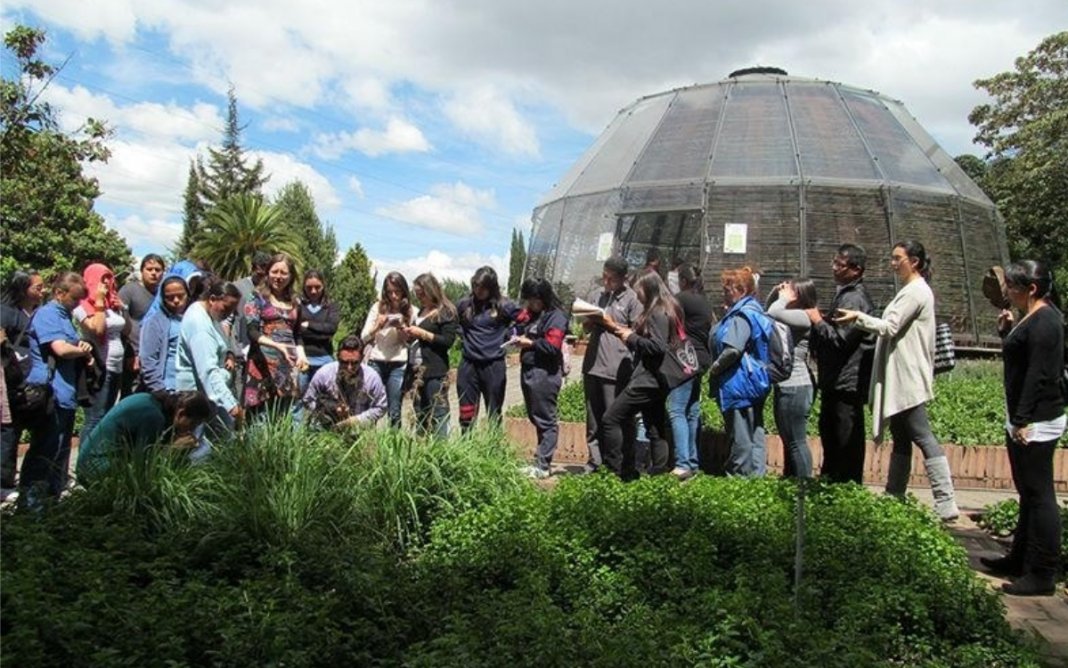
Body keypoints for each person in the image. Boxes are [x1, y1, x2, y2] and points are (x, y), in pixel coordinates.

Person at [836, 240, 960, 522]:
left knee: (921, 434)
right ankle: (894, 495)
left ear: (913, 262)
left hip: (908, 377)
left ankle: (946, 500)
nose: (893, 263)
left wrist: (857, 317)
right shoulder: (912, 290)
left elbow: (889, 326)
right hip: (903, 375)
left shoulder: (916, 292)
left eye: (897, 258)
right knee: (903, 437)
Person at [979, 260, 1064, 596]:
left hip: (1037, 421)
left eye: (1013, 287)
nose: (1008, 292)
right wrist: (1006, 331)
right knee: (1028, 494)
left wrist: (1023, 420)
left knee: (1040, 495)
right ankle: (1019, 558)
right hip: (1026, 416)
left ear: (1032, 289)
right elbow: (1021, 358)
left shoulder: (1046, 322)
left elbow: (1039, 375)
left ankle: (1043, 573)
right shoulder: (1034, 317)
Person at [19, 272, 96, 507]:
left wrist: (83, 346)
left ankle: (52, 500)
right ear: (59, 293)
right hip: (50, 393)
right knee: (45, 449)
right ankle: (31, 503)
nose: (77, 304)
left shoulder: (65, 316)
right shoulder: (48, 314)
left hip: (66, 394)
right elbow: (60, 349)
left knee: (60, 450)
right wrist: (83, 350)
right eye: (74, 299)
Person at [599, 272, 681, 480]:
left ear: (649, 289)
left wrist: (631, 337)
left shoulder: (657, 312)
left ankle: (617, 471)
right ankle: (659, 475)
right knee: (654, 427)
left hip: (648, 378)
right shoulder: (667, 309)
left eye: (639, 290)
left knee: (611, 419)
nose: (637, 295)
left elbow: (658, 346)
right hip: (658, 379)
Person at [806, 243, 875, 483]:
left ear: (856, 269)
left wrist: (817, 321)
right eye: (834, 262)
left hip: (847, 382)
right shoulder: (845, 294)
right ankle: (833, 482)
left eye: (840, 264)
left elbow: (841, 340)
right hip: (836, 380)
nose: (834, 268)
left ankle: (845, 487)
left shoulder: (855, 298)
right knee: (831, 436)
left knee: (845, 440)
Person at [709, 266, 773, 477]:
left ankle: (739, 479)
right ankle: (755, 480)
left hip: (739, 384)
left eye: (728, 290)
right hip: (754, 381)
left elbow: (733, 349)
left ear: (741, 290)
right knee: (754, 433)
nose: (724, 293)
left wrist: (715, 368)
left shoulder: (742, 315)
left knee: (740, 436)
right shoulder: (755, 311)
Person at [581, 257, 642, 473]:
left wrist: (611, 324)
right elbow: (586, 329)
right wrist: (589, 320)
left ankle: (618, 463)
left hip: (616, 367)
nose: (606, 283)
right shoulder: (596, 295)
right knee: (593, 419)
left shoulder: (633, 300)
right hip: (593, 365)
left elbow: (637, 335)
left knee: (614, 418)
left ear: (623, 278)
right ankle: (594, 462)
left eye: (611, 279)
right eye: (604, 277)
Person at [75, 390, 212, 482]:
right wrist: (174, 449)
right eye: (194, 423)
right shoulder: (153, 417)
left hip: (97, 463)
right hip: (97, 468)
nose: (193, 429)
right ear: (181, 413)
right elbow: (143, 468)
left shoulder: (153, 403)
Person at [514, 278, 569, 478]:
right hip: (529, 369)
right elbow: (516, 323)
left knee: (546, 419)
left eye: (533, 299)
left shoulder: (556, 317)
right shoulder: (532, 315)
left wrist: (530, 343)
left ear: (542, 297)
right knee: (536, 417)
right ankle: (539, 461)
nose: (530, 303)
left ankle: (544, 465)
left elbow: (551, 346)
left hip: (544, 373)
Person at [455, 266, 520, 431]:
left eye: (483, 287)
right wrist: (462, 335)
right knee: (466, 414)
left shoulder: (504, 306)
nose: (479, 290)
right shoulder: (464, 305)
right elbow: (452, 323)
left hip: (494, 365)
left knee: (494, 412)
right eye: (476, 285)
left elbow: (525, 319)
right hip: (469, 365)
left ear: (492, 287)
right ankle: (466, 449)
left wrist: (511, 334)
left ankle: (493, 450)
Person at [244, 253, 308, 416]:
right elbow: (252, 331)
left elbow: (297, 334)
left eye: (283, 273)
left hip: (287, 365)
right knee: (260, 416)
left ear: (291, 276)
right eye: (275, 271)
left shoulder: (296, 302)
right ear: (267, 272)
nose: (278, 277)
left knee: (286, 414)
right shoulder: (256, 297)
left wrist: (301, 355)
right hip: (261, 364)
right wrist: (275, 345)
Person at [73, 263, 131, 441]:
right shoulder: (82, 307)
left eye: (109, 277)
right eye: (102, 278)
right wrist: (98, 301)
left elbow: (126, 330)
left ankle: (97, 460)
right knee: (95, 418)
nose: (106, 282)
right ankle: (84, 463)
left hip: (116, 367)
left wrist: (123, 309)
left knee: (106, 415)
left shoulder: (110, 306)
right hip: (99, 368)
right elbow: (98, 330)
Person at [767, 278, 818, 478]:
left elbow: (773, 313)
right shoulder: (791, 314)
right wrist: (775, 292)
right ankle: (791, 482)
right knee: (788, 439)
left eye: (791, 291)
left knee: (796, 441)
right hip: (789, 385)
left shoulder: (804, 316)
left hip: (796, 385)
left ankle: (803, 486)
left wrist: (781, 299)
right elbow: (768, 313)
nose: (786, 293)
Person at [177, 277, 243, 430]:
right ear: (212, 299)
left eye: (232, 311)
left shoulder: (206, 313)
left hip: (208, 394)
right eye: (226, 308)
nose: (228, 314)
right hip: (198, 397)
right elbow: (208, 371)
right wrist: (231, 405)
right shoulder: (200, 326)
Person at [0, 269, 44, 494]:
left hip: (28, 376)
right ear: (23, 289)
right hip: (8, 376)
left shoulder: (38, 313)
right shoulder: (6, 312)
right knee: (8, 427)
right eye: (37, 287)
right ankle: (4, 480)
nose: (42, 291)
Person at [667, 264, 712, 479]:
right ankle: (693, 462)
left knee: (676, 409)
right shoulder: (703, 299)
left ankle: (682, 463)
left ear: (683, 280)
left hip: (685, 359)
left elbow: (666, 318)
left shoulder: (681, 298)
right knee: (692, 411)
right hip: (701, 359)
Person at [403, 273, 459, 438]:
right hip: (417, 369)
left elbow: (447, 341)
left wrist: (421, 333)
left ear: (431, 291)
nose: (419, 297)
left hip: (435, 370)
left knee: (438, 412)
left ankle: (441, 451)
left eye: (422, 294)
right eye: (417, 294)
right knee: (420, 411)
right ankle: (423, 449)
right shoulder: (422, 310)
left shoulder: (446, 312)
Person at [361, 272, 417, 429]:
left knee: (395, 409)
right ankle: (368, 443)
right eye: (390, 291)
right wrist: (378, 325)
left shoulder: (411, 310)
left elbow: (409, 342)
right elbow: (364, 336)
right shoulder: (377, 307)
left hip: (398, 362)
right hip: (376, 360)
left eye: (397, 292)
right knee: (372, 405)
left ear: (404, 291)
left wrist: (402, 329)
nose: (394, 296)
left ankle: (393, 444)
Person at [303, 335, 387, 430]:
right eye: (344, 362)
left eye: (354, 363)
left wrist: (356, 420)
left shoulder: (372, 378)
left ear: (362, 358)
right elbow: (308, 400)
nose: (349, 368)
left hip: (360, 430)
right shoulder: (324, 374)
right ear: (337, 357)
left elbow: (381, 407)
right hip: (325, 428)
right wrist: (330, 409)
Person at [119, 254, 166, 395]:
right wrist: (129, 355)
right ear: (142, 271)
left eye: (158, 270)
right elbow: (119, 323)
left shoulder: (164, 294)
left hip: (156, 358)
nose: (153, 273)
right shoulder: (129, 291)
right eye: (149, 269)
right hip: (133, 356)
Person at [139, 276, 189, 392]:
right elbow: (148, 359)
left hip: (191, 389)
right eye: (170, 297)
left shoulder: (193, 318)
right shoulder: (155, 322)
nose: (176, 300)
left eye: (180, 296)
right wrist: (159, 390)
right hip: (170, 388)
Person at [298, 270, 340, 390]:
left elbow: (331, 329)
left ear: (323, 286)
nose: (313, 291)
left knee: (323, 399)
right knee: (300, 400)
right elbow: (297, 332)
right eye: (309, 287)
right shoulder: (298, 305)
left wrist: (308, 324)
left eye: (317, 287)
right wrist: (321, 331)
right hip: (302, 359)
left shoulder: (331, 306)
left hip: (325, 359)